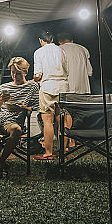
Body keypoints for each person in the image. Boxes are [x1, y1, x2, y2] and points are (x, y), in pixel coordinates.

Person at [32, 30, 68, 160]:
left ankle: (48, 153)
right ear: (52, 39)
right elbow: (66, 69)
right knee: (61, 120)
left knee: (48, 121)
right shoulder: (61, 51)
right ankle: (64, 151)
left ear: (41, 40)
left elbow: (38, 75)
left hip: (48, 87)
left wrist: (34, 79)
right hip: (63, 87)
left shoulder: (39, 52)